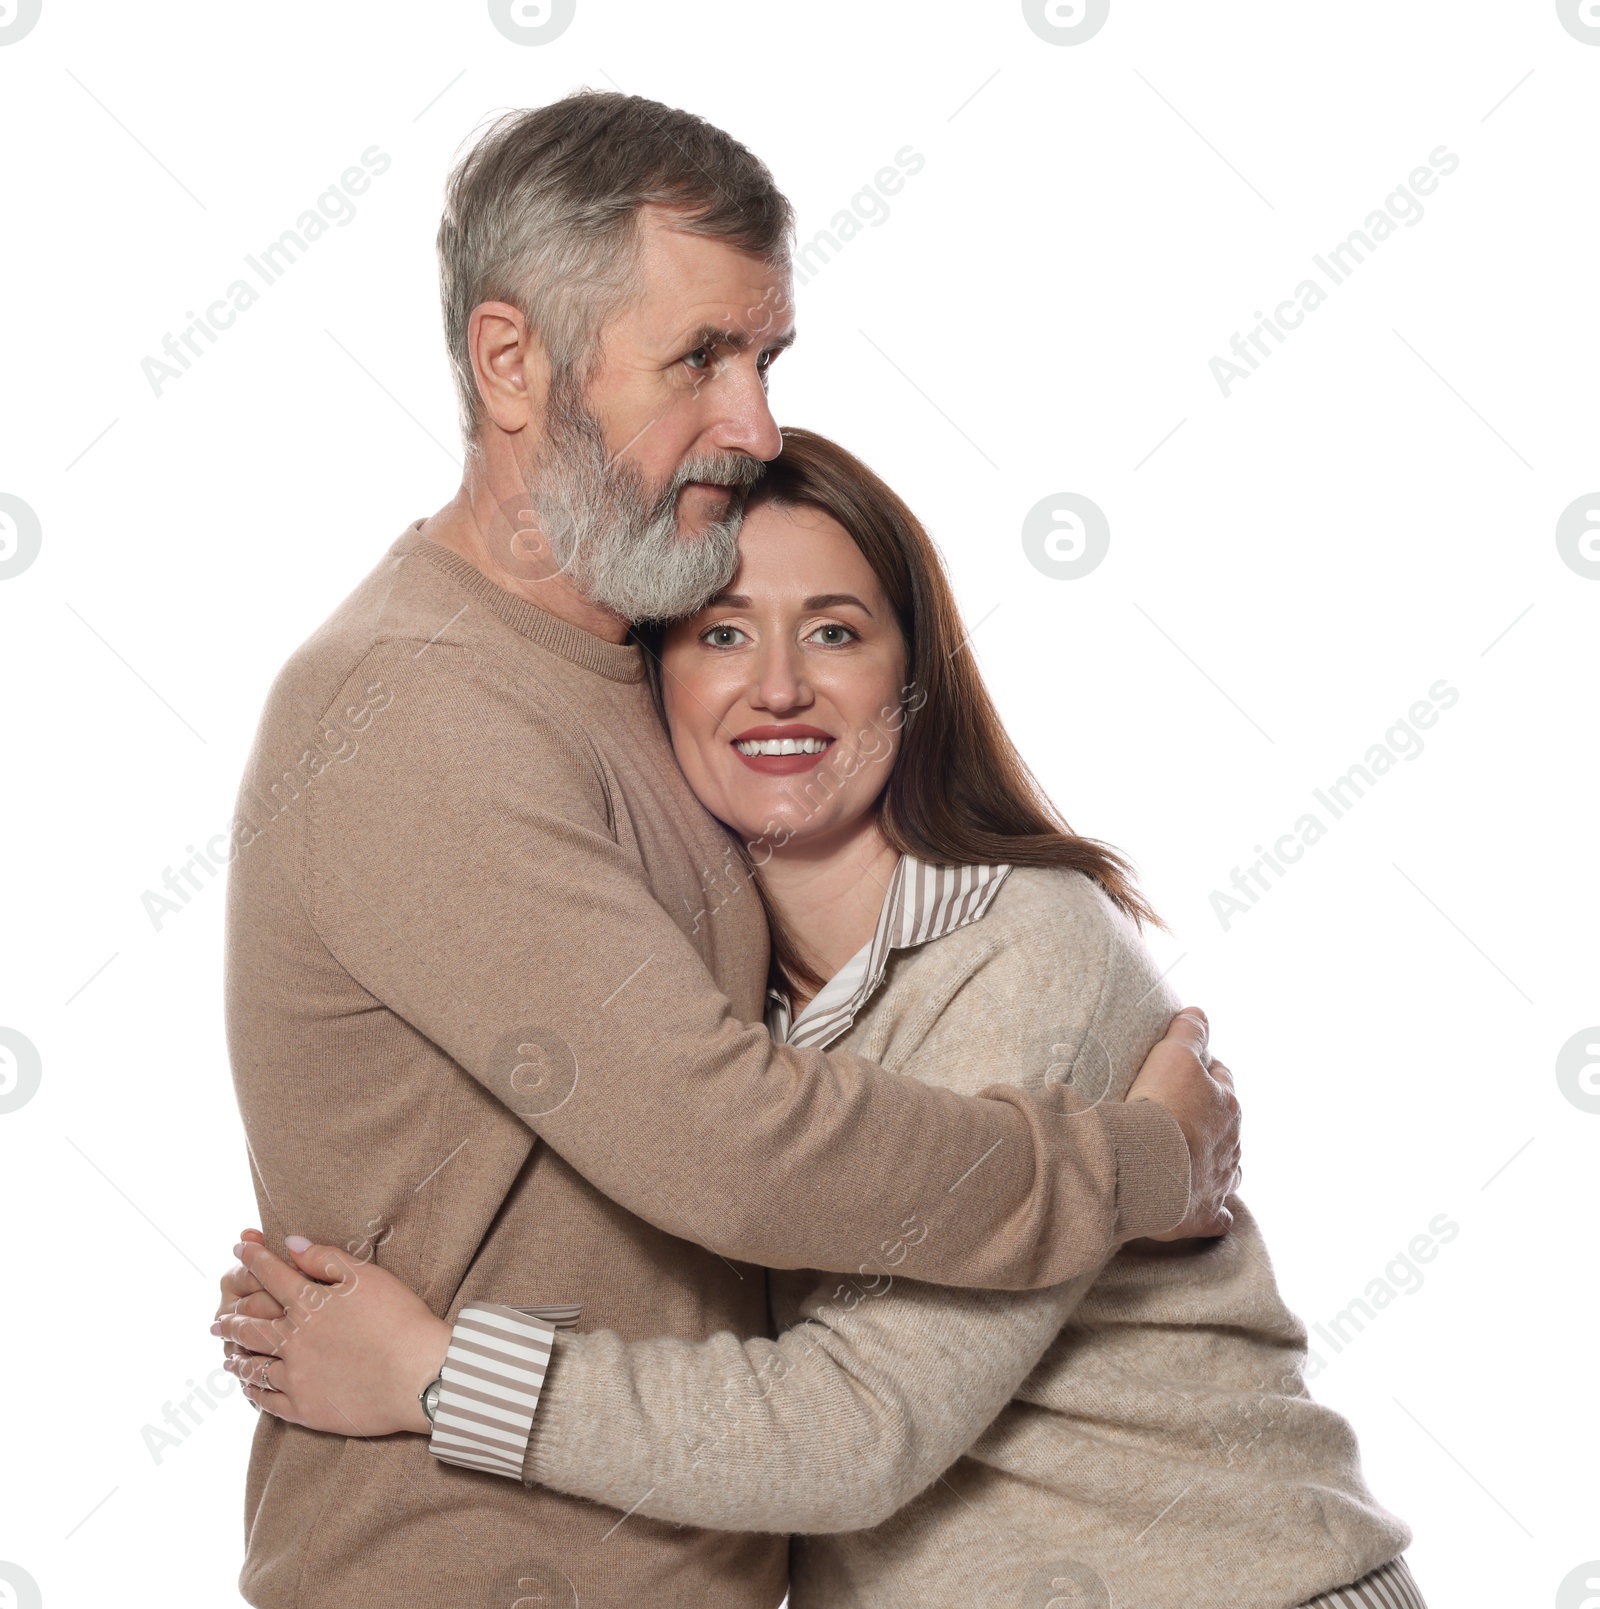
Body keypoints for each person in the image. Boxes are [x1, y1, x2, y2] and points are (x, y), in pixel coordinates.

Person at [218, 93, 1239, 1608]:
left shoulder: (641, 669)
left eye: (766, 361)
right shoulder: (411, 703)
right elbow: (736, 1144)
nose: (756, 427)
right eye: (700, 358)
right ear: (513, 364)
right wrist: (1129, 1164)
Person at [217, 430, 1423, 1609]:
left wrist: (428, 1373)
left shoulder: (1024, 952)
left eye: (834, 632)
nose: (779, 685)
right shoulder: (723, 1011)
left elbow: (850, 1431)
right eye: (721, 633)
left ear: (912, 673)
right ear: (651, 684)